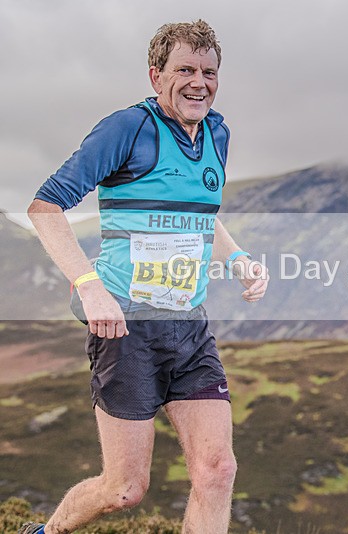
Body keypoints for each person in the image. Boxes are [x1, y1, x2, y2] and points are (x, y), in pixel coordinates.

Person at [20, 20, 267, 534]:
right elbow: (44, 208)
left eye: (209, 72)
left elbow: (201, 211)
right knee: (124, 490)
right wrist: (89, 288)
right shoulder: (126, 129)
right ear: (157, 76)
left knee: (217, 469)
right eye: (185, 70)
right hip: (125, 325)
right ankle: (46, 532)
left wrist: (238, 258)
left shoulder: (218, 132)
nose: (199, 82)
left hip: (189, 326)